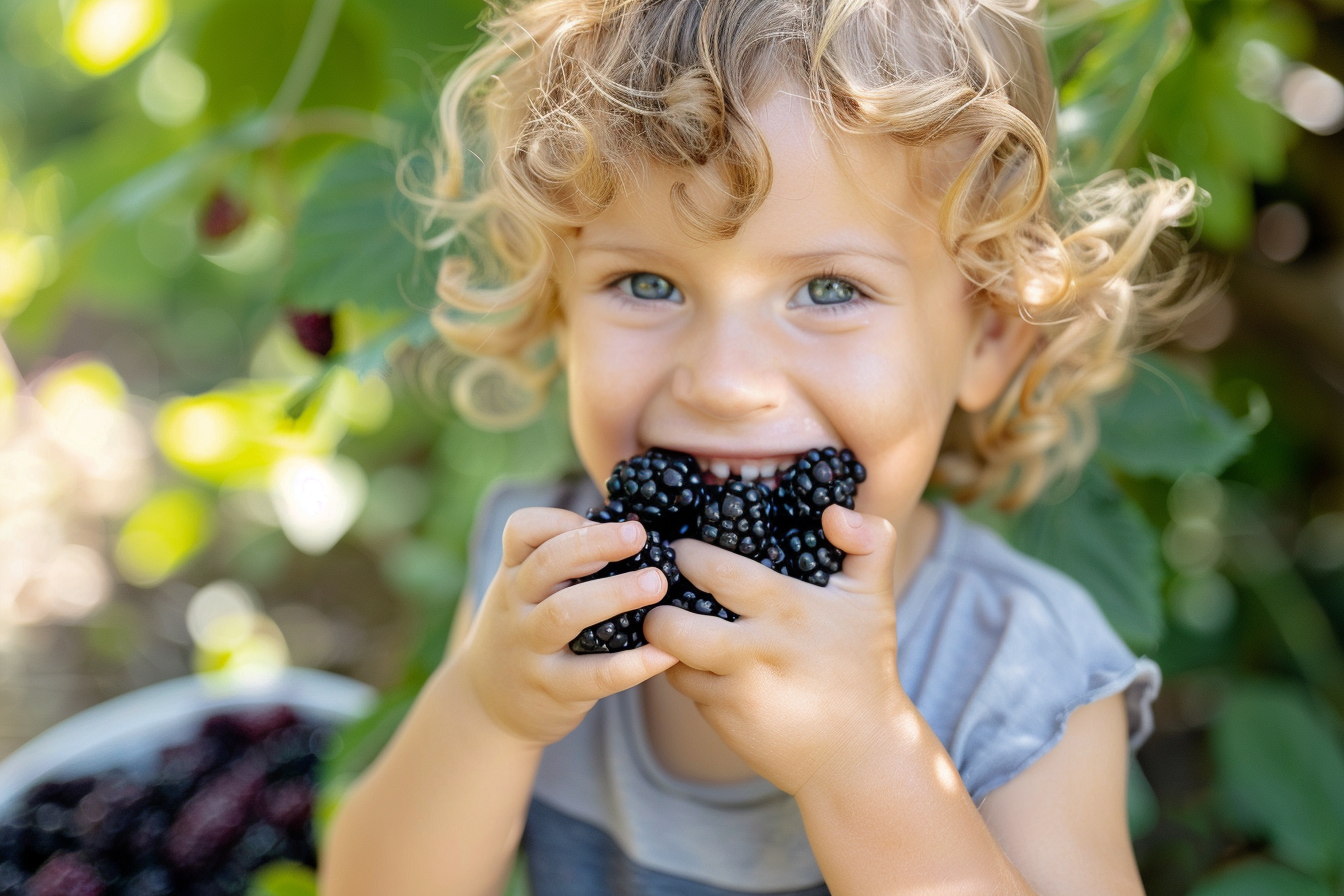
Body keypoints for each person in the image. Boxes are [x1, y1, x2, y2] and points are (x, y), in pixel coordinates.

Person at [322, 0, 1210, 893]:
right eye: (645, 282)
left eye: (828, 289)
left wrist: (860, 759)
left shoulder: (1020, 670)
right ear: (558, 311)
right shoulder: (542, 579)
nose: (723, 380)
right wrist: (485, 710)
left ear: (986, 339)